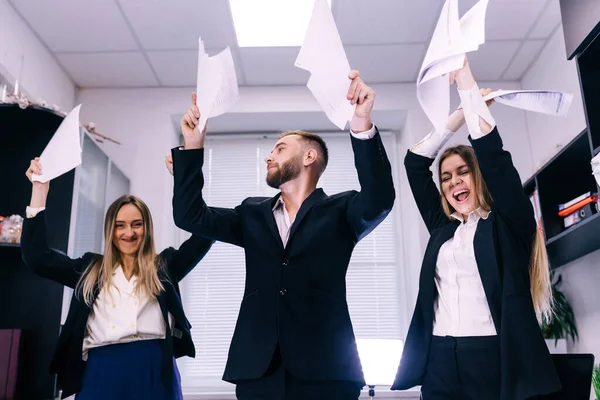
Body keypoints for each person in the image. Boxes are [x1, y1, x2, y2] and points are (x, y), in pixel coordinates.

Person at [171, 70, 396, 400]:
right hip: (259, 371)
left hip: (327, 371)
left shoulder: (342, 211)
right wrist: (192, 147)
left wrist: (361, 124)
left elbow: (379, 199)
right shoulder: (252, 213)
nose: (269, 155)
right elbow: (191, 216)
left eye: (279, 148)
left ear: (309, 156)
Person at [391, 57, 561, 400]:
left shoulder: (507, 223)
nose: (454, 182)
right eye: (446, 177)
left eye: (462, 172)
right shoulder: (443, 229)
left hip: (490, 356)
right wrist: (453, 118)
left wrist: (466, 86)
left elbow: (495, 159)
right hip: (438, 359)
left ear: (478, 175)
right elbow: (414, 162)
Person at [21, 157, 214, 400]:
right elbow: (37, 258)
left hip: (155, 368)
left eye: (137, 224)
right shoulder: (89, 270)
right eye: (120, 225)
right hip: (101, 371)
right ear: (110, 229)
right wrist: (39, 190)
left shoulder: (165, 267)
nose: (129, 233)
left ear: (147, 228)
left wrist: (185, 180)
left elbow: (205, 235)